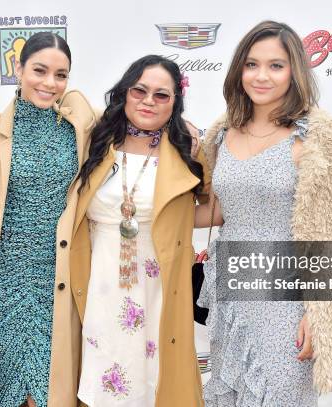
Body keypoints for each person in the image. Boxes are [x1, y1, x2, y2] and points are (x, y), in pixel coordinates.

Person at [195, 21, 332, 406]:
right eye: (251, 64)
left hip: (288, 300)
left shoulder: (317, 139)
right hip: (232, 299)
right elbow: (218, 210)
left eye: (276, 65)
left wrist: (321, 312)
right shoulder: (222, 133)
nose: (261, 75)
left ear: (295, 70)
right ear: (238, 70)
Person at [0, 32, 96, 407]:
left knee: (52, 392)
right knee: (2, 392)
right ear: (18, 68)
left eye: (61, 75)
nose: (50, 83)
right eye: (39, 70)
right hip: (0, 281)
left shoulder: (78, 130)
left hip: (56, 281)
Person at [70, 55, 208, 406]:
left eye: (162, 95)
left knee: (154, 378)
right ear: (124, 93)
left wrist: (176, 219)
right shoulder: (95, 140)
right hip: (98, 285)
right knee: (104, 379)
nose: (149, 101)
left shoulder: (187, 149)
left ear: (176, 102)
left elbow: (214, 207)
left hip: (158, 287)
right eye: (140, 90)